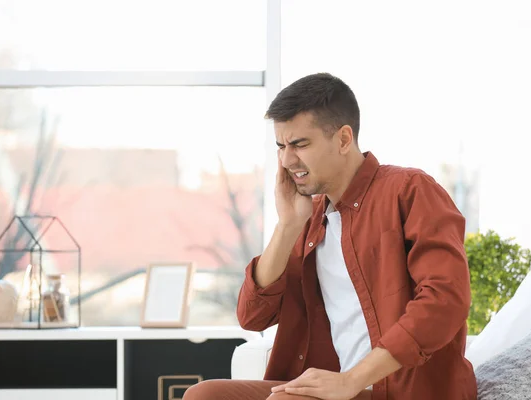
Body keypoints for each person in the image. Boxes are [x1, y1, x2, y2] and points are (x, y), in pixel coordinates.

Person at [183, 73, 477, 400]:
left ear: (343, 139)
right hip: (343, 391)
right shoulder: (311, 219)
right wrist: (288, 226)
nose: (286, 160)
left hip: (400, 392)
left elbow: (445, 299)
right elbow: (253, 316)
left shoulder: (409, 190)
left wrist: (351, 380)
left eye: (300, 144)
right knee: (204, 395)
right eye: (281, 146)